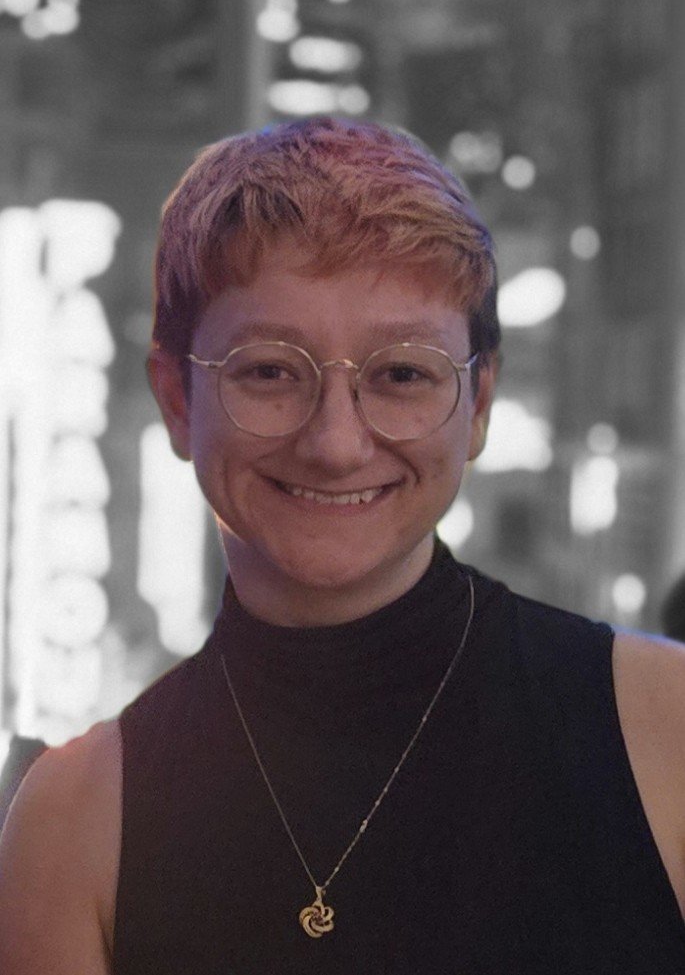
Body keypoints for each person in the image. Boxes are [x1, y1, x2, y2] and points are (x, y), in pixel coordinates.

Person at [1, 116, 684, 974]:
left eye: (401, 374)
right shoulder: (73, 822)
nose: (334, 443)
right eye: (268, 370)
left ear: (477, 405)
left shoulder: (667, 725)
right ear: (177, 399)